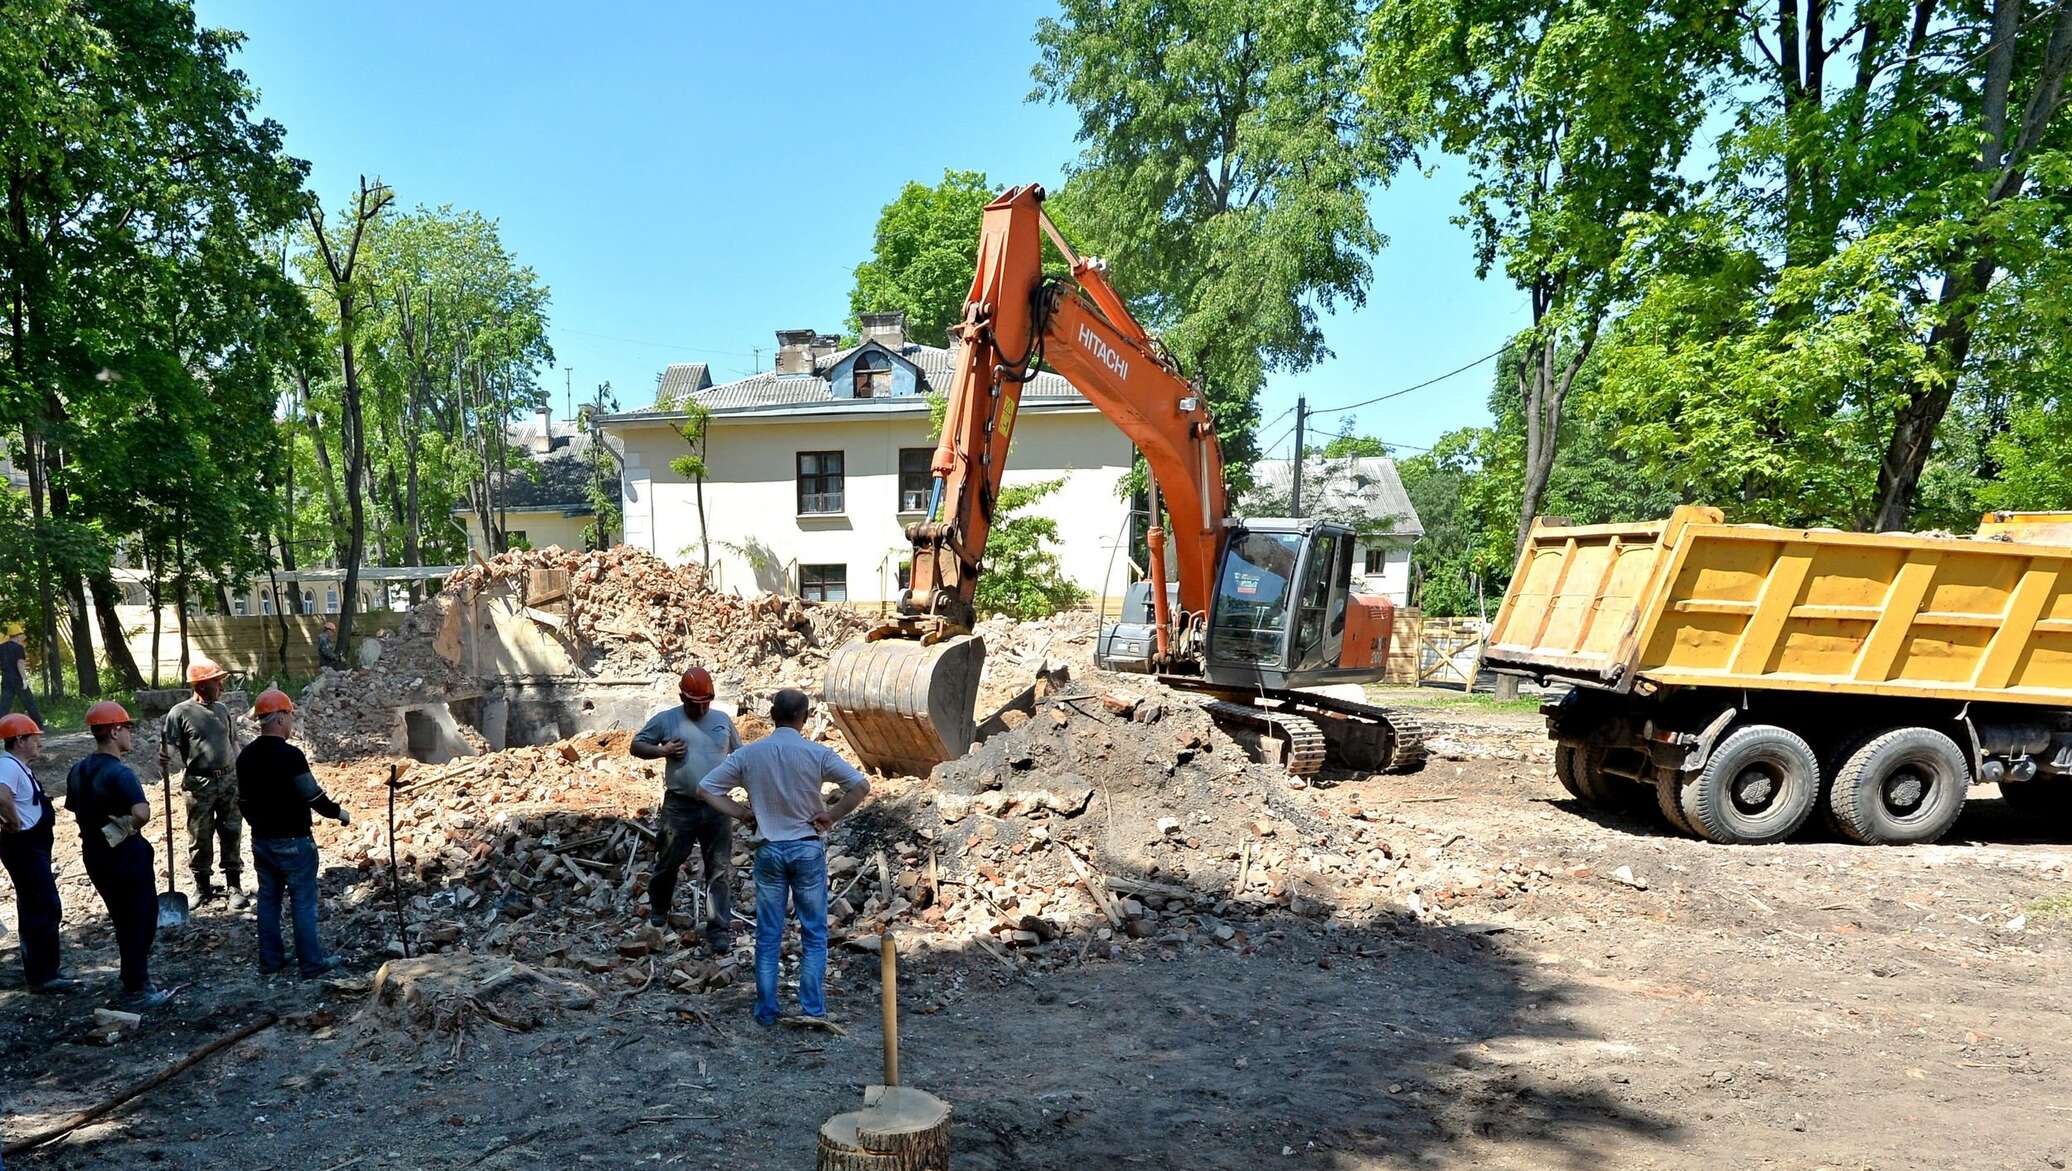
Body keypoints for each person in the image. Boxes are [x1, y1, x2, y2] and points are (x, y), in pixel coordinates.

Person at [697, 688, 870, 1025]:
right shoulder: (816, 753)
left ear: (772, 716)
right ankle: (812, 1010)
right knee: (814, 934)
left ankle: (766, 1011)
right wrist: (832, 815)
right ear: (803, 717)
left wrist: (743, 814)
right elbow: (860, 786)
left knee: (769, 934)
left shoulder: (750, 755)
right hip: (806, 847)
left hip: (769, 849)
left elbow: (706, 789)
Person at [236, 688, 348, 978]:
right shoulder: (291, 755)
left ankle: (270, 961)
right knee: (303, 900)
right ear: (281, 717)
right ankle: (311, 963)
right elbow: (312, 795)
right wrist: (339, 813)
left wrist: (258, 826)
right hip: (295, 841)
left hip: (262, 841)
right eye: (289, 715)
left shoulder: (246, 756)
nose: (291, 722)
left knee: (269, 899)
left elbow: (243, 802)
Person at [66, 702, 171, 1009]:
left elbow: (75, 810)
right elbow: (141, 812)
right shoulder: (120, 772)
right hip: (126, 856)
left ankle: (132, 978)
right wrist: (125, 827)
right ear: (114, 731)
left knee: (123, 918)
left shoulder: (78, 770)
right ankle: (137, 985)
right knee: (141, 918)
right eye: (127, 728)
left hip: (94, 855)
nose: (130, 734)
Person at [630, 666, 742, 950]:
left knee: (718, 869)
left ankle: (718, 929)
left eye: (705, 702)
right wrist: (663, 751)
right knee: (668, 862)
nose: (701, 708)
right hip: (680, 806)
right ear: (683, 698)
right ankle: (658, 911)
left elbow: (741, 757)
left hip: (717, 806)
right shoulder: (667, 720)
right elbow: (637, 745)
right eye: (694, 703)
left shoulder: (722, 721)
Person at [159, 659, 248, 908]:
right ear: (200, 685)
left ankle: (234, 885)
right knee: (200, 835)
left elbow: (233, 743)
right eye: (215, 681)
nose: (221, 685)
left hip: (228, 779)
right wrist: (165, 754)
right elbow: (170, 745)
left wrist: (243, 770)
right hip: (199, 783)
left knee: (231, 831)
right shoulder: (180, 713)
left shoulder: (222, 709)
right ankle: (203, 887)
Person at [0, 714, 78, 993]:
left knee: (37, 905)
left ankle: (43, 970)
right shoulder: (7, 765)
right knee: (42, 906)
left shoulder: (17, 766)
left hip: (30, 846)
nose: (39, 743)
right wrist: (14, 822)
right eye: (34, 738)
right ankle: (43, 976)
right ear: (19, 740)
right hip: (25, 846)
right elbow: (1, 795)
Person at [0, 632, 41, 726]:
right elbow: (20, 663)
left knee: (4, 706)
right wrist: (24, 679)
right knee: (29, 703)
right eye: (21, 635)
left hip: (6, 679)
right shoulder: (19, 648)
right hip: (18, 679)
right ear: (18, 636)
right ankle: (38, 725)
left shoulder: (1, 648)